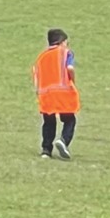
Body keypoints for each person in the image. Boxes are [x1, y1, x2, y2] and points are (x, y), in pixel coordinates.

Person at [33, 27, 79, 159]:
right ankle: (63, 141)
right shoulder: (65, 53)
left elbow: (36, 77)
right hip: (63, 93)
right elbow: (69, 68)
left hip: (46, 95)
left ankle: (46, 150)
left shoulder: (41, 57)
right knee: (69, 120)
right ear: (62, 42)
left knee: (48, 122)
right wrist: (73, 81)